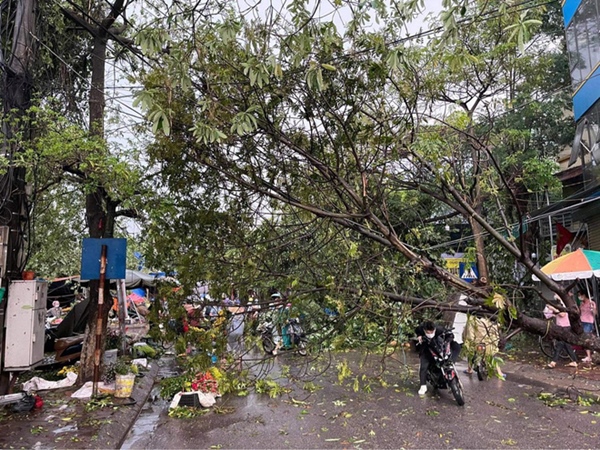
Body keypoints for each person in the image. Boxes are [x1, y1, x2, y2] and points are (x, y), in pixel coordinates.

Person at [414, 320, 458, 396]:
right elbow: (417, 330)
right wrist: (419, 336)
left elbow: (450, 336)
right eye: (428, 332)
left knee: (456, 347)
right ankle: (423, 386)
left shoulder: (439, 330)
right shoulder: (420, 329)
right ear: (424, 330)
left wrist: (447, 340)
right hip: (426, 348)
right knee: (424, 366)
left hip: (438, 347)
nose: (430, 334)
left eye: (432, 332)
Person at [462, 315, 506, 380]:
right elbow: (496, 334)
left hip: (479, 343)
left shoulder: (472, 319)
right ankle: (499, 373)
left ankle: (469, 369)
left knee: (470, 352)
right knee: (493, 356)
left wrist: (467, 342)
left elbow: (470, 334)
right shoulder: (492, 318)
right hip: (490, 344)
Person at [545, 294, 578, 369]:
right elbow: (556, 313)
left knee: (560, 345)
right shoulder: (559, 305)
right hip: (560, 327)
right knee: (567, 346)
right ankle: (574, 361)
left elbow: (562, 314)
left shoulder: (565, 305)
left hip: (565, 327)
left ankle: (553, 362)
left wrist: (553, 309)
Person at [578, 291, 597, 363]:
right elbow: (580, 312)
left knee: (586, 339)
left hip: (588, 322)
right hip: (582, 321)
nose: (579, 297)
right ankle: (588, 355)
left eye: (580, 295)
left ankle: (589, 356)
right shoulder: (582, 303)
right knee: (584, 338)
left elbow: (595, 313)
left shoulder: (591, 303)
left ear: (584, 295)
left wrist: (593, 308)